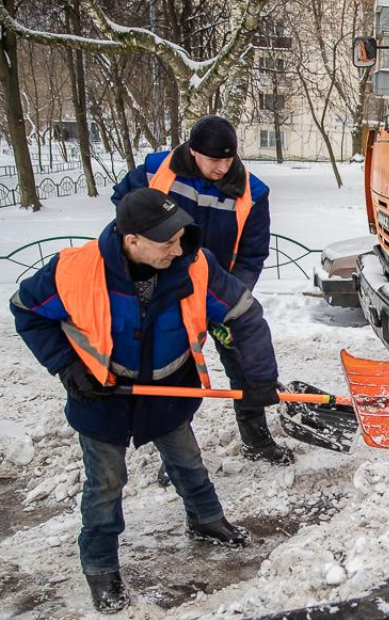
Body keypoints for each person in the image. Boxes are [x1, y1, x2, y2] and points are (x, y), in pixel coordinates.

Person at [10, 188, 281, 614]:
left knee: (187, 459)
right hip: (101, 394)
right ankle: (100, 566)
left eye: (180, 239)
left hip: (170, 387)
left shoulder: (194, 265)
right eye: (167, 242)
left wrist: (260, 378)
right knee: (107, 483)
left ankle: (205, 518)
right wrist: (67, 366)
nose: (177, 250)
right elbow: (26, 310)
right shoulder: (74, 270)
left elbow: (243, 313)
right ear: (131, 239)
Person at [112, 115, 294, 467]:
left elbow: (253, 254)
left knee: (242, 363)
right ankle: (177, 456)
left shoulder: (252, 193)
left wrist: (232, 304)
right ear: (193, 152)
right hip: (164, 288)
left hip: (216, 289)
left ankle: (256, 439)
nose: (223, 167)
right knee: (174, 370)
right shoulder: (156, 170)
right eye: (214, 160)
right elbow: (124, 206)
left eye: (229, 159)